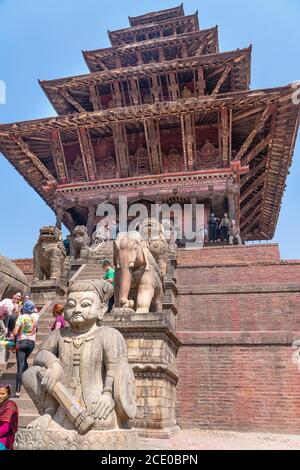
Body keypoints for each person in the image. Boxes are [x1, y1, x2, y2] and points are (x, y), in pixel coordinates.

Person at [13, 300, 39, 398]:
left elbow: (15, 332)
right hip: (31, 343)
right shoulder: (36, 316)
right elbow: (36, 328)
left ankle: (17, 391)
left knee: (20, 365)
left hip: (22, 342)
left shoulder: (21, 317)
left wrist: (14, 333)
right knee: (24, 361)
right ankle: (26, 379)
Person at [0, 385, 18, 450]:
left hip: (4, 440)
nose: (0, 396)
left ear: (8, 395)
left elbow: (5, 428)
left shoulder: (10, 406)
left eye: (3, 394)